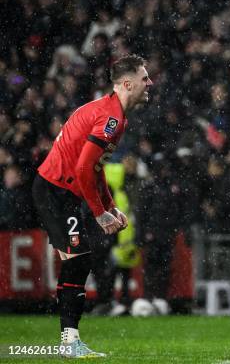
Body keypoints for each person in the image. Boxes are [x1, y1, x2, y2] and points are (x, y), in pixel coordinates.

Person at [32, 54, 152, 357]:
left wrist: (109, 207)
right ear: (127, 83)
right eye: (144, 78)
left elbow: (94, 168)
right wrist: (99, 214)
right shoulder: (111, 119)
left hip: (60, 191)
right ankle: (69, 343)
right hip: (55, 190)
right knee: (79, 260)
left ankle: (69, 341)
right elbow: (85, 168)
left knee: (78, 260)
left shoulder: (111, 113)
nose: (149, 83)